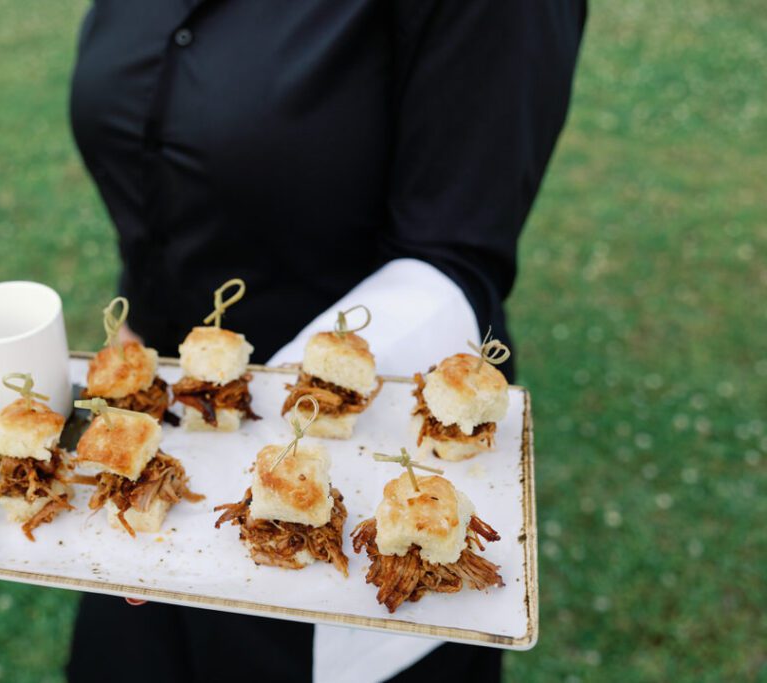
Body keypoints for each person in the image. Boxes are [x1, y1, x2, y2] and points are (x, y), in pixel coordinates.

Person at [66, 1, 586, 681]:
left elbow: (457, 244)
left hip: (364, 465)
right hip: (158, 440)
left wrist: (268, 470)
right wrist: (128, 365)